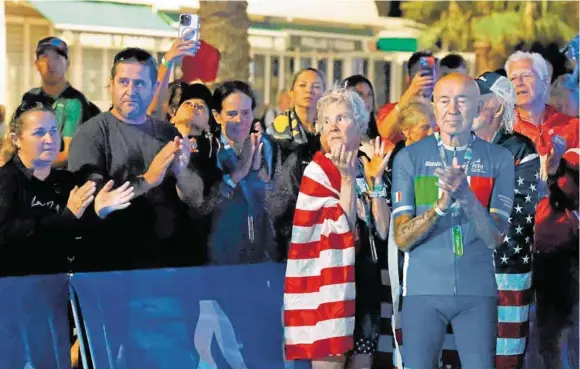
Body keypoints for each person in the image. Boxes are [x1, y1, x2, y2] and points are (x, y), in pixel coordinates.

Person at [390, 73, 514, 369]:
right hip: (423, 291)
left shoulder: (500, 159)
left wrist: (466, 196)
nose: (453, 109)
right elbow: (402, 238)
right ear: (434, 106)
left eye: (462, 100)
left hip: (477, 291)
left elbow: (495, 238)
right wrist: (442, 206)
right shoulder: (410, 158)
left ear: (477, 107)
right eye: (444, 100)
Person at [68, 47, 203, 272]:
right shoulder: (91, 133)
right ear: (111, 84)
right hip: (111, 266)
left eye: (139, 84)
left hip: (166, 265)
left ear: (153, 89)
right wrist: (149, 178)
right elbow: (95, 204)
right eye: (123, 82)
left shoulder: (168, 133)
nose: (130, 91)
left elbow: (196, 198)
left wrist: (182, 173)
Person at [283, 88, 368, 368]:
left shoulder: (370, 166)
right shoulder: (316, 171)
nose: (333, 125)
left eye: (342, 118)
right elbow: (341, 231)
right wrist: (346, 179)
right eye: (327, 120)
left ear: (360, 124)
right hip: (328, 288)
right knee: (331, 361)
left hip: (366, 283)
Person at [0, 100, 131, 276]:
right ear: (16, 139)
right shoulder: (6, 181)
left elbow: (80, 237)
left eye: (53, 132)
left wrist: (98, 212)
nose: (49, 140)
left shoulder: (67, 182)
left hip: (60, 284)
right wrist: (68, 216)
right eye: (39, 133)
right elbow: (9, 234)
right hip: (18, 286)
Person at [471, 71, 541, 369]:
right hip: (459, 273)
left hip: (505, 273)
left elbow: (518, 220)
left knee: (503, 359)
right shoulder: (454, 146)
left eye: (476, 100)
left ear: (498, 107)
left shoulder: (522, 150)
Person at [189, 81, 279, 265]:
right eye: (231, 114)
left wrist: (260, 173)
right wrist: (238, 174)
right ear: (217, 115)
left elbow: (279, 201)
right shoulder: (206, 150)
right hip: (219, 262)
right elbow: (200, 210)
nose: (240, 120)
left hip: (261, 262)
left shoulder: (268, 147)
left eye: (246, 113)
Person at [22, 37, 99, 168]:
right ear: (36, 65)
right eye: (44, 57)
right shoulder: (30, 98)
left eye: (56, 58)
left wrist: (29, 164)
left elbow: (68, 154)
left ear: (67, 64)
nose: (50, 64)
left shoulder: (75, 101)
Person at [533, 149, 579, 369]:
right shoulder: (545, 191)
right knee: (547, 340)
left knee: (560, 340)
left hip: (567, 268)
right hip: (542, 265)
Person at [505, 51, 579, 184]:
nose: (518, 83)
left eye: (526, 75)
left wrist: (559, 165)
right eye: (513, 78)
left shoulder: (574, 127)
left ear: (546, 82)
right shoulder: (500, 130)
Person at [376, 51, 436, 151]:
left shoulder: (442, 111)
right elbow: (385, 133)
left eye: (430, 73)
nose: (426, 78)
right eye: (421, 74)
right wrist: (412, 91)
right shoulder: (391, 109)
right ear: (408, 78)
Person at [268, 67, 326, 162]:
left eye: (316, 86)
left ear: (324, 94)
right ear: (291, 93)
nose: (309, 90)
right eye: (303, 85)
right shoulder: (279, 127)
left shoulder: (329, 128)